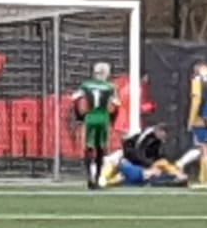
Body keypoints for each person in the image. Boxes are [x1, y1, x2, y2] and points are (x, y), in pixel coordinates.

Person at [72, 61, 120, 189]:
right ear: (107, 73)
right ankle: (98, 178)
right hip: (103, 117)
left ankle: (89, 177)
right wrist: (112, 120)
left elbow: (75, 99)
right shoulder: (110, 87)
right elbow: (116, 105)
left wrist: (79, 116)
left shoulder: (86, 85)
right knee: (101, 148)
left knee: (89, 146)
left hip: (90, 117)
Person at [102, 124, 188, 187]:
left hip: (137, 167)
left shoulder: (156, 139)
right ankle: (105, 178)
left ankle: (177, 175)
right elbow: (138, 152)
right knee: (117, 165)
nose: (164, 139)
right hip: (132, 160)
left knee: (161, 164)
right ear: (158, 131)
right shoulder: (146, 137)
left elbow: (155, 155)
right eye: (164, 135)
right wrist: (149, 166)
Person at [186, 61, 207, 188]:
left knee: (204, 148)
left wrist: (191, 120)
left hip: (201, 118)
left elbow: (196, 100)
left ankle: (206, 178)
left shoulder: (198, 80)